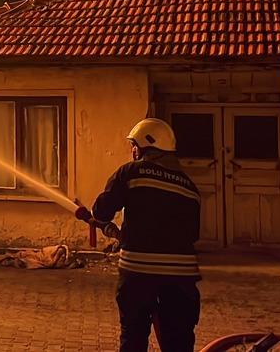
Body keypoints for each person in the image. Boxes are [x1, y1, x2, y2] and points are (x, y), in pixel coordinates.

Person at [78, 118, 202, 352]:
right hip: (182, 278)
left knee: (134, 336)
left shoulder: (131, 172)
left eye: (134, 145)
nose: (132, 151)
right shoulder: (190, 187)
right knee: (178, 341)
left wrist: (103, 221)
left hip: (138, 274)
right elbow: (193, 234)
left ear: (146, 145)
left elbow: (101, 211)